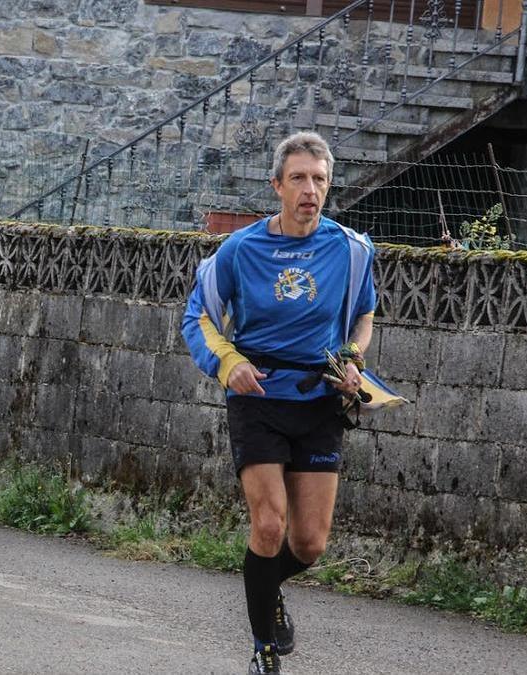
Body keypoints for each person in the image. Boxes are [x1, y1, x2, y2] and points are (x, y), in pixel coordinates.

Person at [181, 131, 376, 674]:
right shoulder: (240, 250)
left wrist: (352, 359)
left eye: (319, 179)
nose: (310, 189)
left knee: (309, 543)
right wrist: (228, 363)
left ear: (329, 186)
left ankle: (266, 587)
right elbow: (198, 315)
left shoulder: (352, 251)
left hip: (319, 401)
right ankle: (264, 649)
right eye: (298, 178)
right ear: (277, 186)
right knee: (268, 526)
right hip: (259, 397)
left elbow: (364, 315)